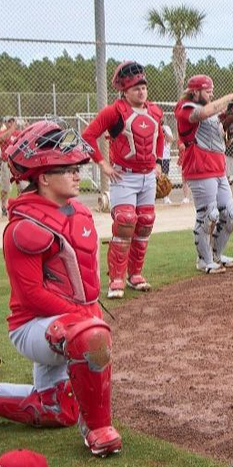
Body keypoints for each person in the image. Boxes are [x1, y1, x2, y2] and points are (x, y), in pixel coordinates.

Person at [0, 120, 122, 457]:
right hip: (34, 326)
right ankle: (98, 430)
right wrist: (83, 318)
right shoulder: (24, 227)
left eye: (76, 168)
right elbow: (32, 296)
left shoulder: (78, 212)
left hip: (68, 322)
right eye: (66, 169)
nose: (76, 174)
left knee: (58, 410)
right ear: (43, 178)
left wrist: (84, 316)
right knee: (92, 336)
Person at [80, 61, 164, 298]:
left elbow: (158, 137)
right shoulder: (114, 111)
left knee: (145, 223)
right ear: (125, 91)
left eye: (144, 87)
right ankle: (116, 279)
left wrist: (158, 162)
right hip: (124, 176)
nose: (141, 92)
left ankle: (135, 275)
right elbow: (88, 136)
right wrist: (102, 163)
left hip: (148, 176)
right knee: (125, 222)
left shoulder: (155, 111)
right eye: (136, 88)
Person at [174, 75, 233, 273]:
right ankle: (204, 260)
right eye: (207, 91)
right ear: (195, 92)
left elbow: (219, 137)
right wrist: (231, 97)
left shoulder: (212, 113)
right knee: (208, 215)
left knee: (231, 215)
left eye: (211, 91)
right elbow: (204, 113)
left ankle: (217, 255)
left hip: (218, 169)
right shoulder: (185, 108)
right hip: (200, 168)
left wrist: (229, 128)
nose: (211, 94)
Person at [0, 116, 20, 216]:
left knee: (22, 186)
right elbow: (2, 139)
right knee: (5, 188)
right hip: (6, 162)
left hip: (17, 163)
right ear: (5, 123)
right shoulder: (1, 132)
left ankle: (19, 205)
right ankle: (3, 207)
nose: (11, 123)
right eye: (9, 122)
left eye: (12, 121)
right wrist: (12, 129)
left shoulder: (18, 133)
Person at [158, 124, 173, 204]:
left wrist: (164, 131)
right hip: (156, 156)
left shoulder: (166, 128)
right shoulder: (154, 125)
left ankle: (166, 197)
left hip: (165, 157)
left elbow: (170, 139)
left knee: (165, 177)